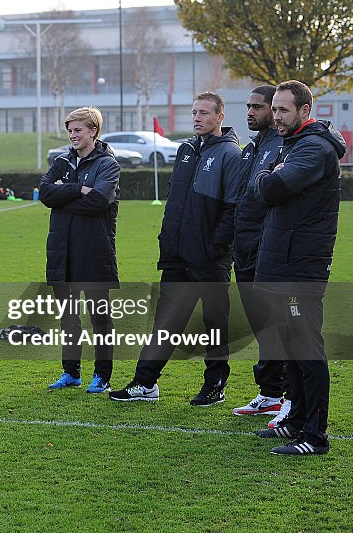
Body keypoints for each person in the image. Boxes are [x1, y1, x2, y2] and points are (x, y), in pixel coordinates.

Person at [109, 92, 242, 405]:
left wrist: (214, 247)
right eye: (194, 112)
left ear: (220, 117)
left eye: (205, 113)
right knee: (165, 322)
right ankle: (145, 383)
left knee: (214, 325)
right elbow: (176, 204)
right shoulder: (185, 149)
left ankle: (215, 385)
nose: (197, 118)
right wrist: (167, 241)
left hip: (210, 259)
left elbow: (234, 208)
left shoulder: (231, 155)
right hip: (176, 256)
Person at [252, 80, 345, 456]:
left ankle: (315, 435)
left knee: (306, 347)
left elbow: (270, 189)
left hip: (299, 268)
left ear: (305, 110)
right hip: (281, 262)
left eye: (283, 110)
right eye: (274, 109)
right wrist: (270, 173)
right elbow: (268, 187)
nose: (276, 117)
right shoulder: (293, 145)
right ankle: (294, 421)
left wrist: (268, 174)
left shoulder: (313, 148)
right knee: (289, 346)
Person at [38, 107, 120, 394]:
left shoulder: (108, 164)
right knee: (68, 318)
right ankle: (70, 372)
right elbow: (45, 194)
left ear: (93, 131)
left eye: (78, 130)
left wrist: (65, 193)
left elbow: (99, 201)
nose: (72, 135)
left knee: (100, 319)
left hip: (94, 251)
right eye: (70, 130)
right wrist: (78, 189)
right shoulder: (61, 161)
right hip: (62, 252)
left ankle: (102, 376)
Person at [230, 85, 289, 423]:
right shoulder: (252, 148)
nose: (250, 112)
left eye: (258, 106)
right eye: (248, 106)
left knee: (280, 324)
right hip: (245, 248)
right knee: (262, 326)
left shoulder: (282, 146)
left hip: (268, 249)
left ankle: (287, 397)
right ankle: (269, 393)